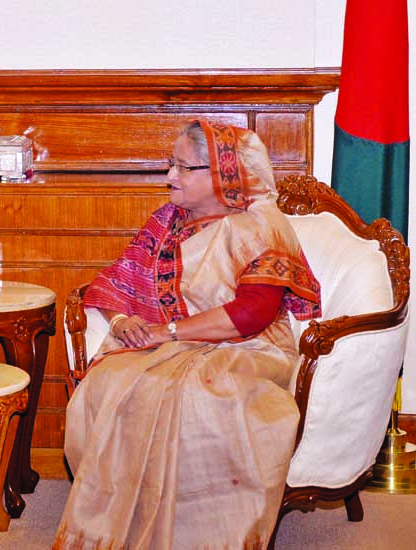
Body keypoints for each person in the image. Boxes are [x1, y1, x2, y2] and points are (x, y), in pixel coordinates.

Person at [53, 121, 322, 549]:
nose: (169, 177)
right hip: (170, 343)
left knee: (198, 396)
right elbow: (114, 281)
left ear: (223, 173)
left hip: (247, 348)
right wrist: (121, 322)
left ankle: (198, 535)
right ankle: (123, 525)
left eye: (182, 167)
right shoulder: (167, 221)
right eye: (170, 165)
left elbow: (252, 314)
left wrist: (168, 332)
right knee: (108, 383)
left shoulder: (259, 226)